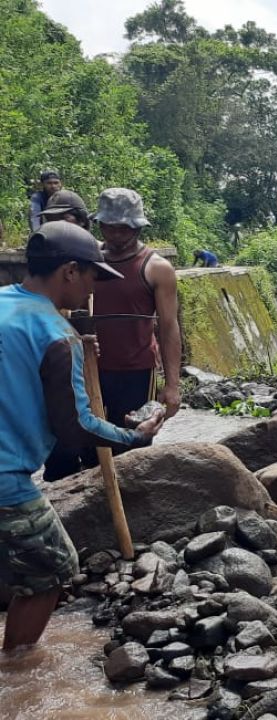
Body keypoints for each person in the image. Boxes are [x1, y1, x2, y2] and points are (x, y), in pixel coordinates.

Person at [0, 221, 164, 650]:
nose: (94, 287)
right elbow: (75, 426)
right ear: (70, 271)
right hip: (5, 479)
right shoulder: (57, 335)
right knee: (54, 567)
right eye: (92, 275)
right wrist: (135, 436)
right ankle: (17, 668)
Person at [42, 188, 182, 481]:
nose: (116, 235)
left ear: (137, 227)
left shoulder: (156, 268)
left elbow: (169, 327)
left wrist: (172, 386)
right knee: (78, 443)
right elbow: (59, 309)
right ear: (99, 224)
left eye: (124, 228)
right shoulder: (83, 261)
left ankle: (125, 506)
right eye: (109, 227)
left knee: (131, 451)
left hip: (135, 373)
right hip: (86, 370)